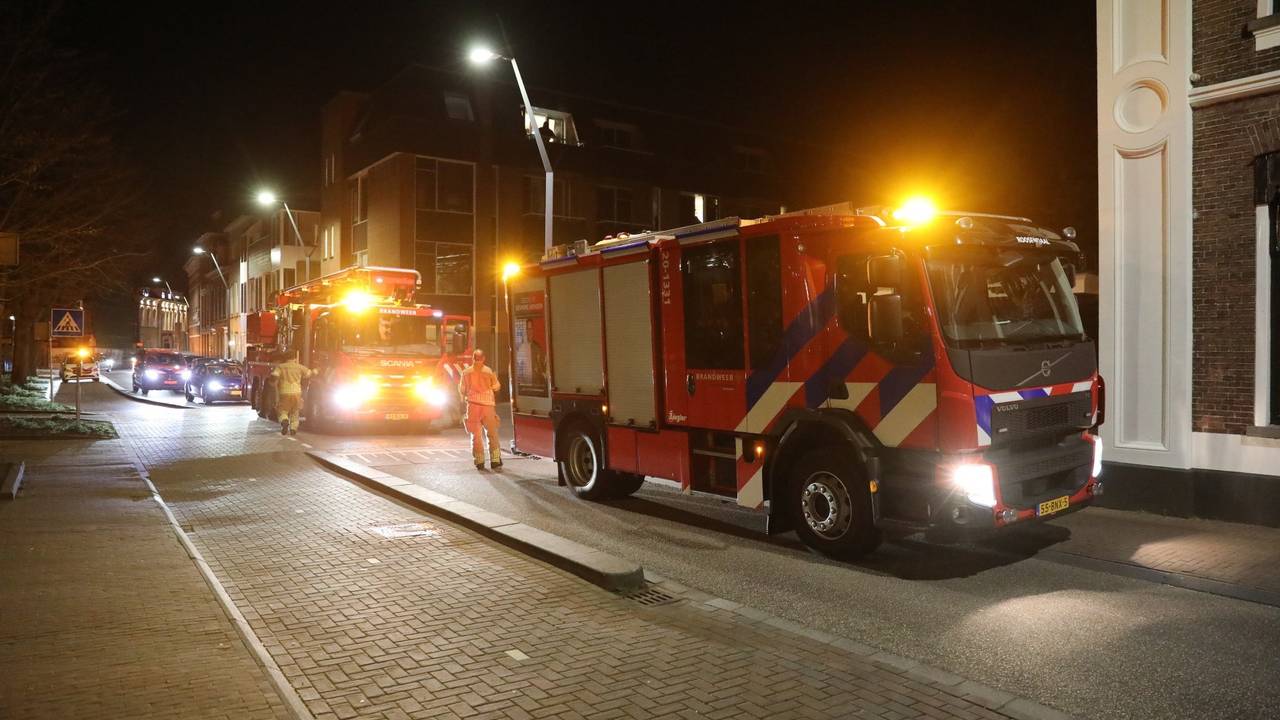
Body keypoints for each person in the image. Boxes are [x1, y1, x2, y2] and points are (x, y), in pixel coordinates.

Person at [459, 348, 502, 470]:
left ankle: (479, 462)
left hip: (473, 406)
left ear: (473, 358)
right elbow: (496, 386)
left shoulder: (466, 372)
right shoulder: (489, 371)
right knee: (492, 435)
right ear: (483, 358)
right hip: (488, 406)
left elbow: (462, 390)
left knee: (476, 436)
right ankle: (495, 460)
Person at [271, 349, 313, 436]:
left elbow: (274, 375)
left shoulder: (281, 367)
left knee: (282, 410)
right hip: (297, 392)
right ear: (295, 357)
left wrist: (272, 382)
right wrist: (316, 371)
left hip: (284, 392)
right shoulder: (299, 367)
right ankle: (293, 428)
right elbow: (309, 373)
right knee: (295, 412)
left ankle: (284, 420)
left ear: (285, 358)